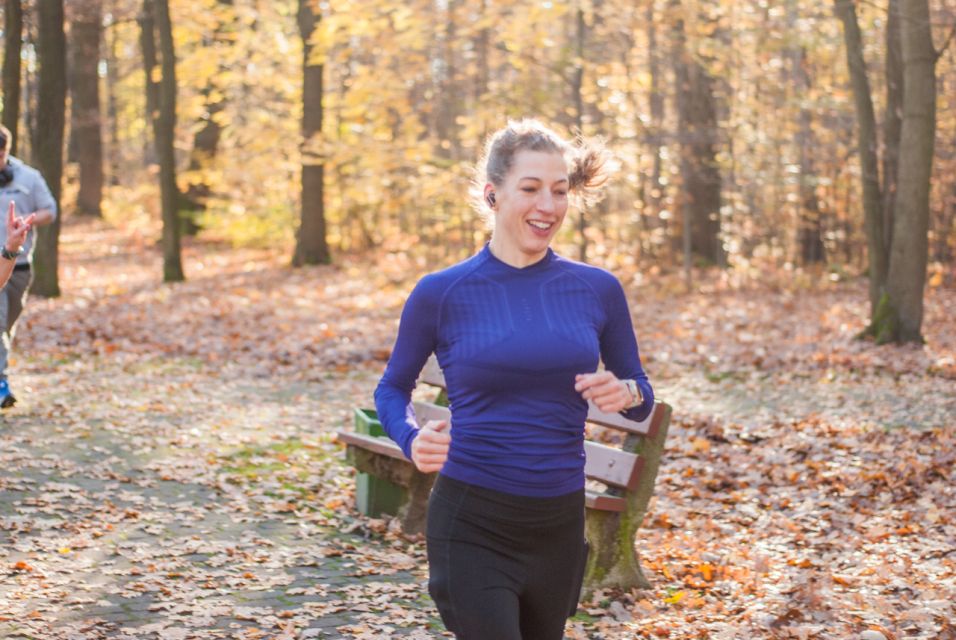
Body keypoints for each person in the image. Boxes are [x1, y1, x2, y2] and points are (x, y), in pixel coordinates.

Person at [374, 119, 654, 640]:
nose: (547, 206)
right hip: (473, 521)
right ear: (493, 195)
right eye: (530, 189)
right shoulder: (442, 292)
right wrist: (412, 438)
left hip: (559, 527)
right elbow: (392, 389)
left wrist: (627, 391)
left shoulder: (596, 289)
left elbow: (640, 394)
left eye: (559, 191)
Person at [0, 125, 57, 408]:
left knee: (7, 325)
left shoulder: (29, 177)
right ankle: (2, 383)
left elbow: (51, 210)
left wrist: (28, 221)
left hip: (19, 266)